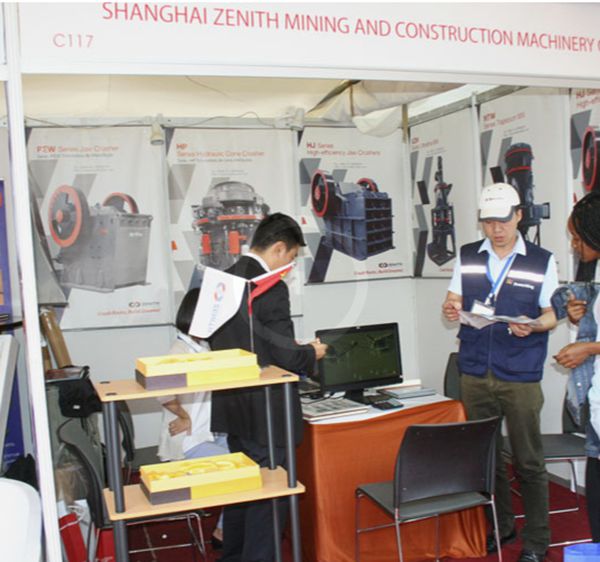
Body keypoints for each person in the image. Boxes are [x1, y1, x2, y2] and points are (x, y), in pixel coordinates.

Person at [442, 183, 558, 562]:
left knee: (528, 461)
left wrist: (535, 326)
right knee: (487, 458)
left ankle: (537, 540)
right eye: (489, 222)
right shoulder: (468, 255)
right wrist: (450, 307)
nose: (496, 229)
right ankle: (501, 526)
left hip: (520, 373)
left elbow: (552, 314)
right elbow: (454, 299)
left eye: (503, 221)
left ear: (519, 216)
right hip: (475, 371)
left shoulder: (541, 260)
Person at [208, 212, 328, 562]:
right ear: (278, 248)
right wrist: (311, 353)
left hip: (233, 404)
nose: (290, 266)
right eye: (291, 257)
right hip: (266, 412)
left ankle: (234, 556)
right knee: (268, 501)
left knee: (242, 493)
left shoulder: (224, 279)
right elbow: (285, 355)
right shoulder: (271, 288)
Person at [157, 288, 228, 547]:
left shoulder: (204, 346)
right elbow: (162, 392)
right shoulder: (179, 350)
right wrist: (183, 415)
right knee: (242, 471)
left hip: (210, 431)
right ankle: (222, 533)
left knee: (251, 457)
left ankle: (231, 527)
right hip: (189, 438)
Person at [553, 191, 600, 542]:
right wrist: (578, 318)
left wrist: (589, 348)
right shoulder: (593, 275)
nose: (573, 245)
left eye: (577, 237)